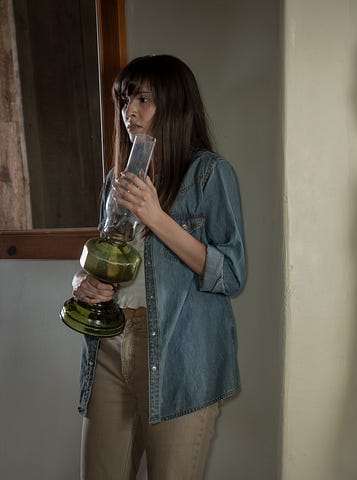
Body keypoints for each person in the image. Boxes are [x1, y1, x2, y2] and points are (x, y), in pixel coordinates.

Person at [69, 54, 246, 479]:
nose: (129, 111)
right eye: (125, 100)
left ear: (175, 104)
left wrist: (157, 217)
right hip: (109, 345)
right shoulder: (117, 180)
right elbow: (109, 258)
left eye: (143, 99)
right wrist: (84, 281)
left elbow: (231, 273)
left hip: (179, 353)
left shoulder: (209, 173)